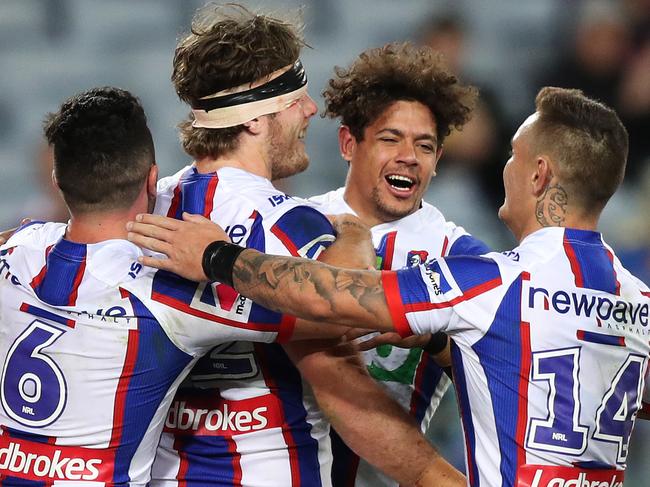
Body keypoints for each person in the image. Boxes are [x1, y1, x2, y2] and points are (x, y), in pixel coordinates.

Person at [128, 86, 650, 487]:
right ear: (350, 143)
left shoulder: (485, 275)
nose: (504, 167)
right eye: (390, 139)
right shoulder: (636, 298)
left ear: (538, 175)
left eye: (513, 155)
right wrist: (441, 343)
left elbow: (330, 299)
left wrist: (218, 257)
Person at [148, 5, 462, 487]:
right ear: (255, 119)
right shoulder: (289, 224)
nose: (312, 108)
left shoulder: (153, 207)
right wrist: (436, 477)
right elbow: (338, 369)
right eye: (296, 96)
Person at [0, 87, 296, 485]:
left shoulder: (14, 249)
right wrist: (221, 257)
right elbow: (327, 318)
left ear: (56, 180)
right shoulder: (170, 291)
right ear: (153, 179)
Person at [309, 42, 488, 487]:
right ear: (349, 143)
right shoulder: (293, 222)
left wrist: (431, 339)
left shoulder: (462, 256)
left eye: (424, 145)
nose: (408, 155)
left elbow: (499, 371)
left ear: (437, 160)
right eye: (390, 138)